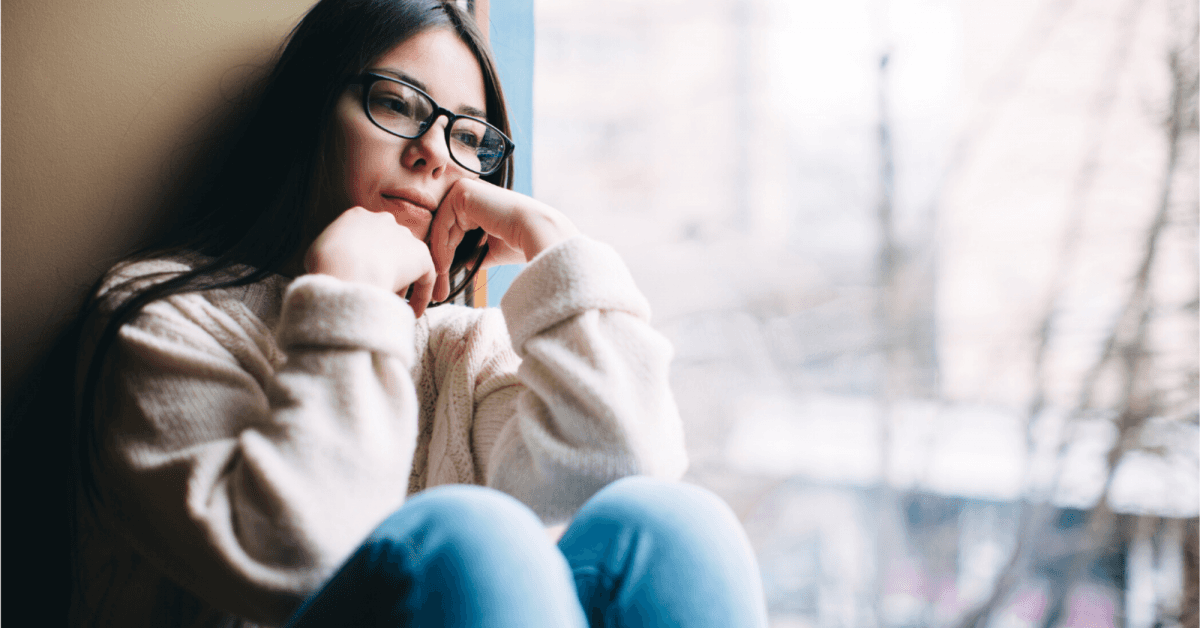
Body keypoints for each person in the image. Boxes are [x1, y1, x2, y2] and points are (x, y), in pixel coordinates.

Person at [71, 1, 769, 626]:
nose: (433, 150)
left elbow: (618, 467)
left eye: (469, 136)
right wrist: (349, 295)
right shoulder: (160, 316)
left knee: (678, 524)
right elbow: (297, 562)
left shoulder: (464, 348)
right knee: (474, 535)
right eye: (398, 104)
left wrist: (551, 242)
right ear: (311, 112)